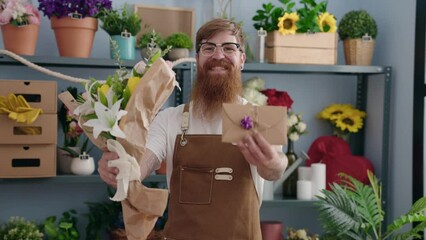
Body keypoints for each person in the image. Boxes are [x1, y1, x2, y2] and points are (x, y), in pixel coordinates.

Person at [98, 18, 288, 239]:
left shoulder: (257, 118)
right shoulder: (171, 119)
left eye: (229, 48)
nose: (218, 56)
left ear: (242, 59)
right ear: (198, 59)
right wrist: (121, 166)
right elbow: (143, 164)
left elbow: (276, 168)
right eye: (208, 48)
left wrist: (272, 162)